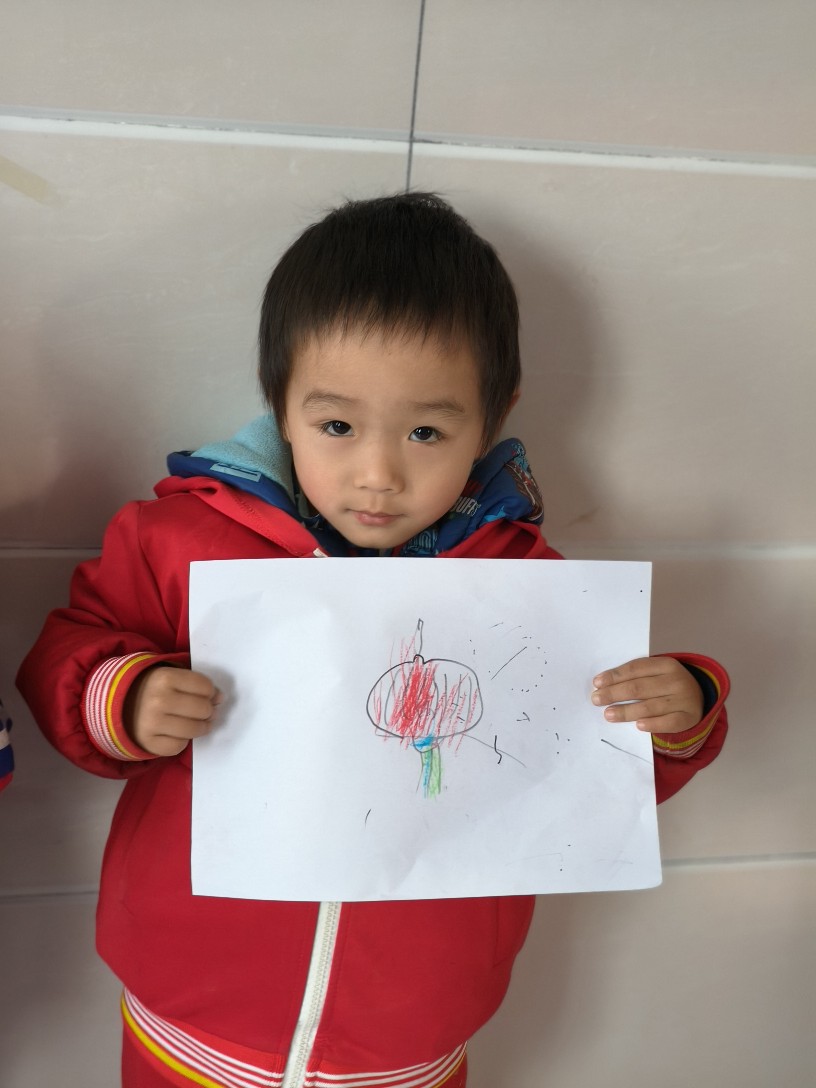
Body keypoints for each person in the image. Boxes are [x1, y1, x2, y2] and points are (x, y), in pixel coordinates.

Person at [17, 193, 729, 1088]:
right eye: (337, 426)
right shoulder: (182, 544)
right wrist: (125, 697)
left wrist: (679, 710)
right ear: (281, 404)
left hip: (412, 1034)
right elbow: (64, 655)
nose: (379, 473)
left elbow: (581, 772)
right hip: (191, 1014)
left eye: (427, 431)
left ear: (493, 416)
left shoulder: (529, 589)